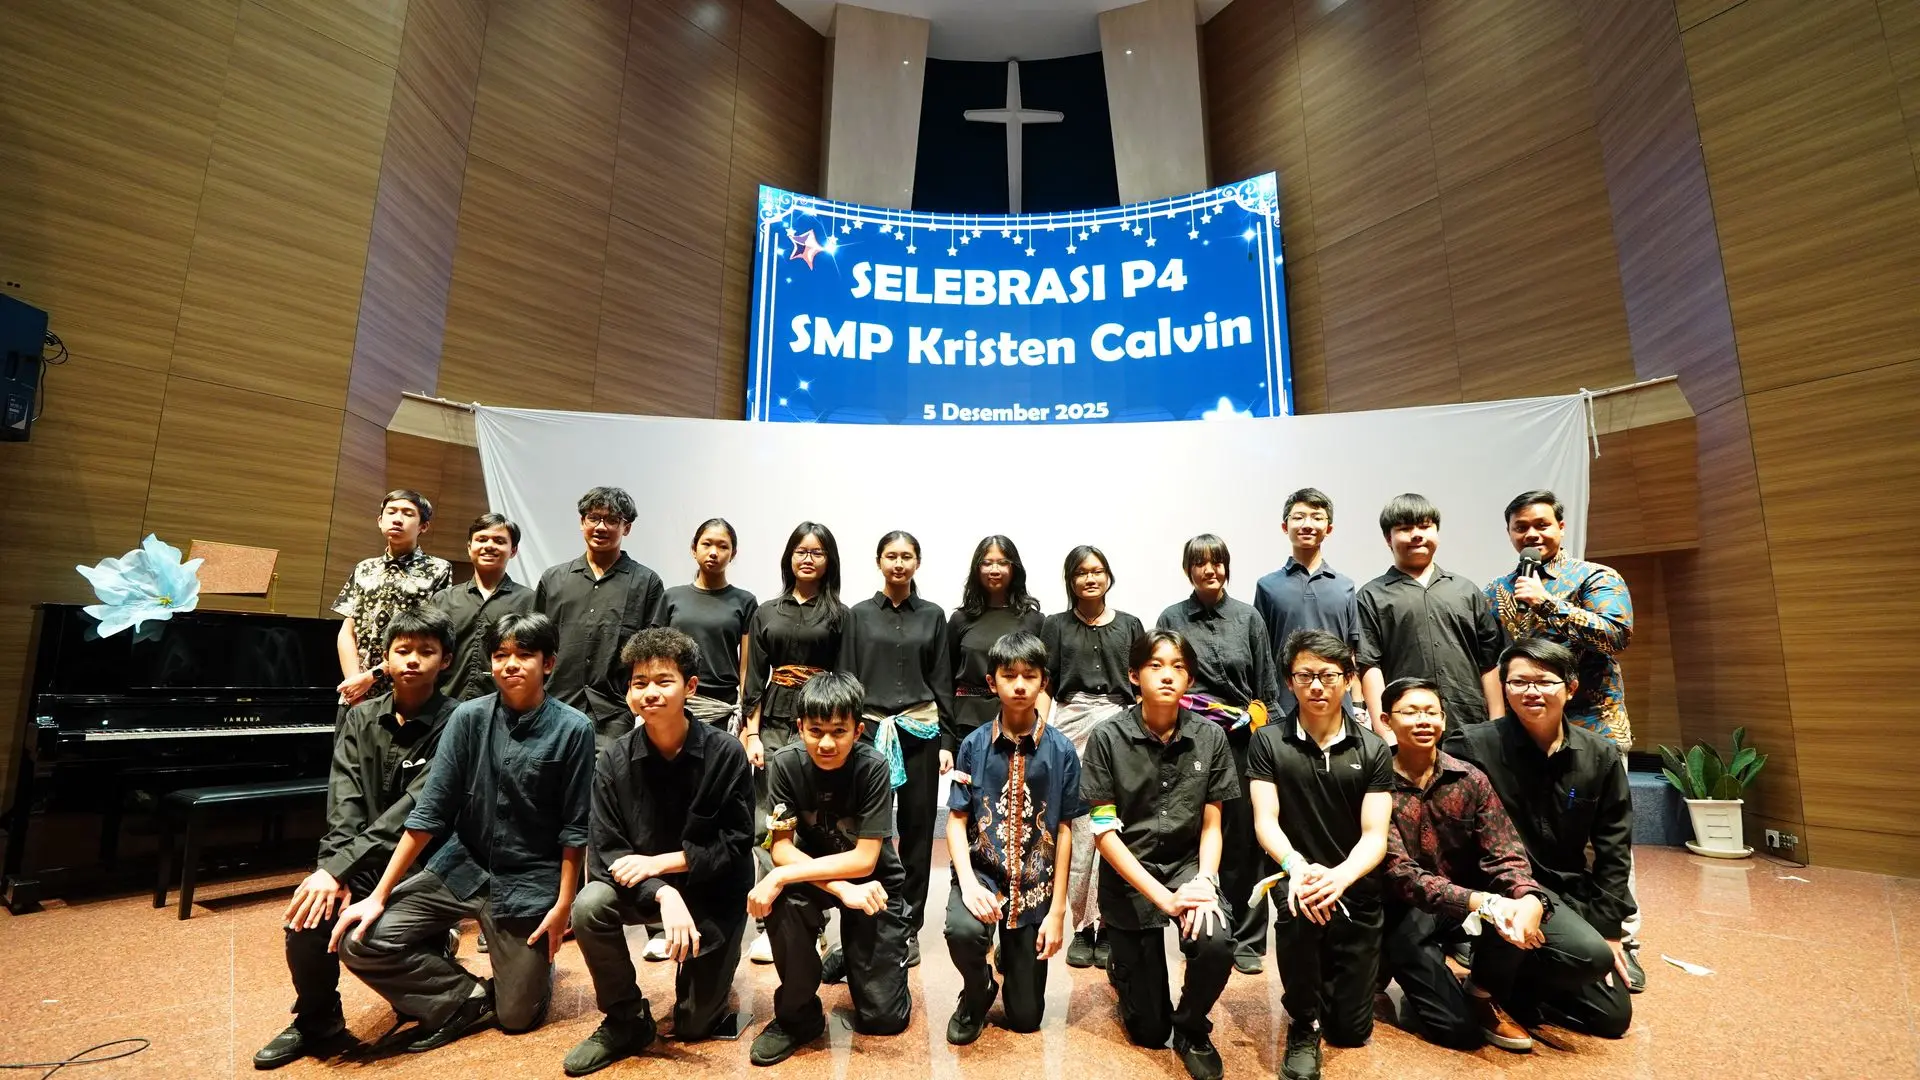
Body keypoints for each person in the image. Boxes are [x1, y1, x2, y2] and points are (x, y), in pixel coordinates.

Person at [332, 612, 594, 1052]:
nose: (511, 664)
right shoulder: (468, 717)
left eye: (524, 655)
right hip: (463, 866)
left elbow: (575, 827)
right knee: (361, 940)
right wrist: (378, 895)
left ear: (548, 663)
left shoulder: (574, 728)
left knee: (516, 1017)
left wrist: (563, 904)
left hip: (529, 878)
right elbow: (429, 811)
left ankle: (531, 972)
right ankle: (465, 996)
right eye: (500, 655)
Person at [253, 609, 460, 1070]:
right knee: (309, 915)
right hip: (363, 855)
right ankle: (318, 1018)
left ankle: (436, 950)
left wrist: (342, 865)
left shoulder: (458, 722)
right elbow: (342, 803)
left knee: (373, 934)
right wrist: (332, 872)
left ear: (445, 660)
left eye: (426, 651)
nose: (412, 660)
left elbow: (416, 809)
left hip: (428, 859)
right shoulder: (360, 717)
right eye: (402, 650)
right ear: (385, 657)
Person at [1378, 676, 1618, 1053]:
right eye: (1410, 712)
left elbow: (1504, 850)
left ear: (1444, 719)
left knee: (1574, 951)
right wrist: (1483, 902)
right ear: (1386, 720)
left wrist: (1527, 898)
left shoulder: (1470, 779)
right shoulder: (1376, 783)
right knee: (1458, 1032)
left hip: (1470, 899)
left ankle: (1484, 991)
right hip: (1407, 910)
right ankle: (1417, 986)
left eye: (1431, 712)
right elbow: (1399, 873)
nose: (1423, 720)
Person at [563, 628, 755, 1076]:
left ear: (691, 687)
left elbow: (736, 842)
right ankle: (625, 1018)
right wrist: (663, 892)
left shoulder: (726, 753)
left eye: (663, 681)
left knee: (694, 1025)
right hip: (648, 890)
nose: (650, 692)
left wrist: (664, 864)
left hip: (712, 890)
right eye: (639, 683)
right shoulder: (613, 760)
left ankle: (708, 979)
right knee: (590, 904)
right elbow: (606, 853)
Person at [1485, 489, 1644, 991]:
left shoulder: (1595, 577)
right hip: (1527, 733)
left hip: (1593, 728)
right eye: (1520, 528)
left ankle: (1621, 939)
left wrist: (1549, 604)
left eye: (1541, 524)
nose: (1531, 535)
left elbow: (1617, 635)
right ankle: (1551, 931)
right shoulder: (1497, 591)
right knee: (1534, 836)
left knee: (1603, 840)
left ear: (1560, 526)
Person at [1449, 637, 1634, 1040]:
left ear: (1571, 688)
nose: (1531, 691)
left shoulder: (1600, 756)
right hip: (1502, 884)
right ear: (1504, 688)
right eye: (1518, 682)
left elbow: (1614, 849)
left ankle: (1517, 987)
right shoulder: (1473, 745)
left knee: (1612, 1017)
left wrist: (1609, 929)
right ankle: (1483, 988)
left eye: (1545, 681)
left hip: (1567, 890)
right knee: (1587, 956)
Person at [1081, 629, 1237, 1080]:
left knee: (1216, 940)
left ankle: (1191, 1027)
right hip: (1130, 873)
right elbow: (1104, 834)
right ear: (1134, 675)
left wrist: (1205, 882)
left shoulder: (1211, 737)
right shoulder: (1107, 738)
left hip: (1188, 866)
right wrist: (1164, 899)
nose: (1167, 675)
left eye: (1178, 667)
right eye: (1155, 665)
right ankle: (1123, 965)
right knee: (1149, 1030)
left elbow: (1212, 825)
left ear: (1190, 679)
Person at [1247, 630, 1393, 1080]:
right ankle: (1303, 1021)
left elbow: (1375, 836)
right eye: (1305, 675)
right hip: (1297, 876)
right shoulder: (1268, 741)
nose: (1316, 686)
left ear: (1348, 680)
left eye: (1328, 675)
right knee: (1298, 910)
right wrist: (1297, 867)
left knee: (1350, 1032)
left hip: (1354, 883)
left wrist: (1340, 877)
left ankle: (1333, 980)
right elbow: (1265, 821)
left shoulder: (1373, 748)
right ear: (1289, 681)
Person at [746, 672, 913, 1066]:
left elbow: (865, 859)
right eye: (815, 730)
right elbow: (782, 849)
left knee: (884, 1019)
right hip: (813, 875)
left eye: (839, 731)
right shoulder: (785, 764)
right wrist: (838, 888)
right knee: (783, 903)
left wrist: (779, 873)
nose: (826, 743)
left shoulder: (873, 766)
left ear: (858, 730)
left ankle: (850, 957)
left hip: (874, 883)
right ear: (799, 726)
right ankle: (797, 1017)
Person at [943, 631, 1083, 1045]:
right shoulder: (972, 746)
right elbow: (956, 821)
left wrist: (1058, 910)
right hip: (984, 876)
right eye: (1009, 675)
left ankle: (1012, 950)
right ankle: (978, 989)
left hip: (1035, 887)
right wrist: (968, 884)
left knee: (1025, 1019)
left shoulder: (1062, 752)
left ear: (1044, 682)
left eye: (1029, 675)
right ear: (992, 682)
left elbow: (1064, 831)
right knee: (962, 931)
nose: (1019, 685)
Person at [1156, 533, 1280, 975]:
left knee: (1245, 839)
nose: (1210, 570)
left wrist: (1264, 733)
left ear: (1227, 566)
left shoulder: (1248, 618)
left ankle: (1247, 938)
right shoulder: (1172, 617)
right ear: (1188, 569)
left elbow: (1267, 691)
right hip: (1190, 740)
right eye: (1200, 563)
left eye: (1217, 562)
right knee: (1192, 836)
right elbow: (1164, 681)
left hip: (1243, 742)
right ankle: (1199, 928)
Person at [835, 530, 953, 966]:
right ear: (879, 561)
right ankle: (871, 917)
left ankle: (908, 926)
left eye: (906, 556)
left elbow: (942, 680)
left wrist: (947, 741)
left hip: (920, 732)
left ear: (917, 562)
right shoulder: (858, 615)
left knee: (918, 832)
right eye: (891, 556)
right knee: (870, 830)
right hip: (869, 733)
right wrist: (847, 734)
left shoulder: (933, 615)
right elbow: (846, 676)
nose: (898, 564)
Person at [739, 522, 847, 964]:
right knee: (769, 824)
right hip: (773, 724)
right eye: (801, 551)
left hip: (820, 728)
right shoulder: (766, 611)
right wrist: (751, 733)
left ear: (828, 561)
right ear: (789, 557)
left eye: (817, 552)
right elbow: (753, 680)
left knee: (814, 824)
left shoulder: (840, 615)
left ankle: (813, 922)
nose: (808, 558)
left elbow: (845, 678)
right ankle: (770, 923)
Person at [1040, 544, 1143, 969]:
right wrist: (1039, 733)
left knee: (1115, 823)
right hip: (1071, 727)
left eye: (1098, 570)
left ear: (1109, 576)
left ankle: (1110, 924)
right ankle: (1083, 926)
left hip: (1120, 729)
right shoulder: (1055, 625)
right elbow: (1046, 685)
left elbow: (1140, 685)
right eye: (1081, 572)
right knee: (1080, 827)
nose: (1090, 578)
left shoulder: (1131, 625)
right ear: (1070, 580)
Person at [1356, 494, 1505, 740]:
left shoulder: (1466, 590)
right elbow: (1369, 665)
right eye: (1405, 528)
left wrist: (1497, 723)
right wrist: (1385, 732)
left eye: (1425, 526)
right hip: (1405, 725)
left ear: (1437, 532)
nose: (1416, 534)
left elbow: (1489, 662)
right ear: (1388, 538)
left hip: (1469, 722)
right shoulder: (1371, 596)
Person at [536, 486, 667, 746]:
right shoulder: (554, 579)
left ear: (626, 528)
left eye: (612, 520)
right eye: (593, 518)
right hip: (554, 704)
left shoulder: (646, 582)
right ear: (582, 522)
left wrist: (633, 698)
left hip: (613, 712)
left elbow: (652, 650)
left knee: (607, 773)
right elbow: (535, 643)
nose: (601, 527)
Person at [333, 489, 453, 707]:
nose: (397, 519)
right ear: (380, 521)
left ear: (423, 526)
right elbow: (347, 631)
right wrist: (355, 684)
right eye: (391, 512)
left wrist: (372, 676)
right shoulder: (364, 568)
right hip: (356, 691)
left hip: (405, 690)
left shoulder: (439, 569)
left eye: (408, 513)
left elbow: (431, 636)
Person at [1251, 488, 1362, 714]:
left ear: (1329, 528)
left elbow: (1352, 652)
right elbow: (1260, 653)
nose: (1308, 524)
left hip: (1336, 703)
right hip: (1283, 706)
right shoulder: (1267, 587)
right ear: (1285, 526)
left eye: (1317, 518)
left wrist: (1358, 704)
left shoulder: (1345, 587)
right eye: (1299, 517)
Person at [946, 535, 1045, 754]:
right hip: (967, 723)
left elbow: (1042, 680)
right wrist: (946, 739)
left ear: (1014, 568)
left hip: (1020, 722)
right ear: (977, 569)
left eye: (1002, 563)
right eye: (987, 563)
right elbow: (946, 679)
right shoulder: (960, 620)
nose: (994, 569)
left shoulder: (1034, 620)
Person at [662, 518, 758, 728]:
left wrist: (747, 720)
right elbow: (656, 656)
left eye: (723, 546)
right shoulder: (671, 597)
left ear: (733, 553)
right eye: (706, 544)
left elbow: (746, 667)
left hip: (722, 706)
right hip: (677, 701)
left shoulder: (745, 601)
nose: (714, 552)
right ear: (694, 549)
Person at [430, 513, 534, 702]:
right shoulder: (443, 599)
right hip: (445, 706)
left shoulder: (530, 601)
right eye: (482, 539)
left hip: (505, 708)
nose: (489, 545)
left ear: (513, 550)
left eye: (499, 541)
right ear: (469, 547)